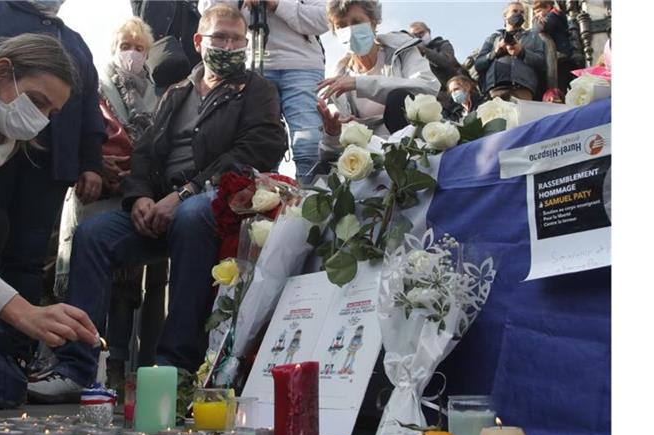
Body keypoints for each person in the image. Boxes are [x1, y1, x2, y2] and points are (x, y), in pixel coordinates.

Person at [26, 3, 287, 402]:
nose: (230, 46)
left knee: (192, 216)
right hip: (159, 204)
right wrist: (141, 199)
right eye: (221, 37)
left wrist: (182, 195)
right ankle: (76, 367)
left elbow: (258, 149)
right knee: (93, 235)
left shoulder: (257, 91)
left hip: (214, 202)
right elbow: (146, 154)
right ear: (200, 42)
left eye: (238, 39)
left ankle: (175, 365)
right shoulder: (176, 93)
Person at [0, 0, 106, 371]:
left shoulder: (3, 136)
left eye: (52, 114)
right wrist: (23, 312)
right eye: (37, 102)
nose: (39, 120)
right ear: (1, 72)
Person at [51, 16, 165, 391]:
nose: (131, 54)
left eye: (139, 48)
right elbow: (80, 128)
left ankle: (116, 365)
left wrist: (139, 174)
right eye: (125, 46)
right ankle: (76, 362)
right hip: (96, 193)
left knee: (126, 291)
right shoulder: (93, 85)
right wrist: (95, 163)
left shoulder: (163, 94)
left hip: (136, 196)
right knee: (89, 268)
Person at [199, 0, 329, 184]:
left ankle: (309, 205)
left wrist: (276, 4)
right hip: (251, 68)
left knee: (308, 144)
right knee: (260, 146)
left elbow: (325, 18)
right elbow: (209, 12)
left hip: (302, 66)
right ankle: (263, 206)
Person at [317, 0, 439, 162]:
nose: (350, 30)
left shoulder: (402, 50)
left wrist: (359, 83)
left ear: (374, 23)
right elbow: (330, 155)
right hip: (372, 161)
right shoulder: (336, 83)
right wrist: (332, 134)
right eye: (341, 26)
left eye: (356, 22)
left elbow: (429, 88)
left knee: (398, 97)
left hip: (416, 146)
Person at [474, 1, 546, 101]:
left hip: (522, 90)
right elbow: (478, 64)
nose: (519, 14)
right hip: (495, 91)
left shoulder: (533, 37)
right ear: (505, 16)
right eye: (515, 11)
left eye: (521, 12)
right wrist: (495, 52)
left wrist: (521, 52)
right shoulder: (493, 39)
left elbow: (541, 63)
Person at [408, 21, 464, 103]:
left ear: (428, 31)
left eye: (421, 33)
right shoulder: (413, 57)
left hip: (450, 92)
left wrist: (423, 50)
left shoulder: (442, 44)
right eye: (415, 35)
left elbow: (446, 62)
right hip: (430, 97)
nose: (419, 36)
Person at [532, 0, 575, 93]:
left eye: (539, 11)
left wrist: (535, 22)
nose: (537, 15)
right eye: (535, 13)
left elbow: (541, 28)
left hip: (561, 54)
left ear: (547, 7)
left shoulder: (553, 15)